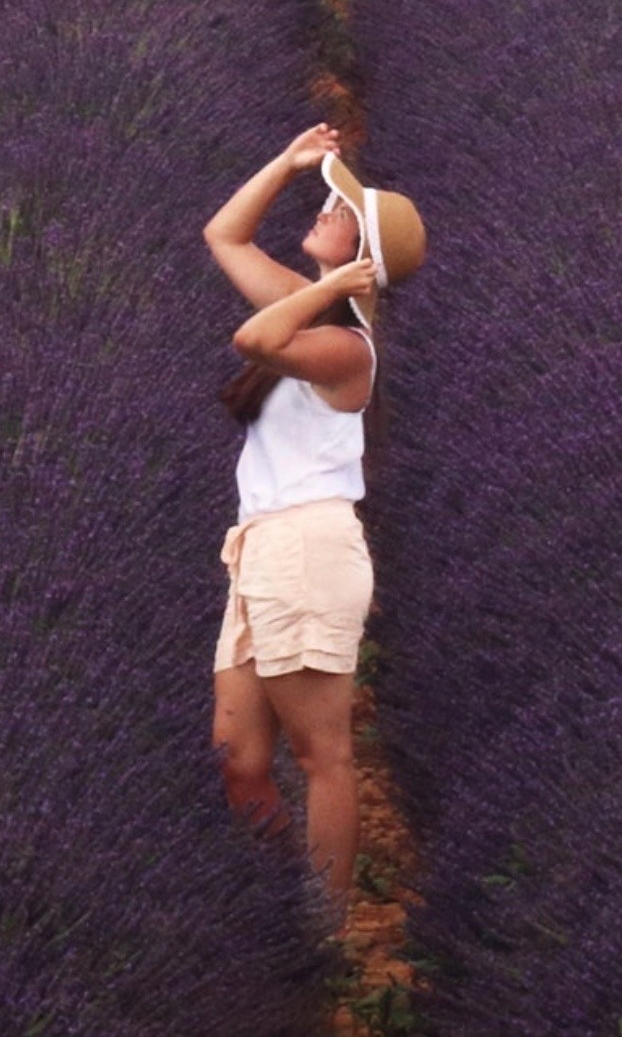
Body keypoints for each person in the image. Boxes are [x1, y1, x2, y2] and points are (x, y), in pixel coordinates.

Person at [203, 122, 425, 921]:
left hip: (309, 545)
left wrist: (332, 290)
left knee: (320, 754)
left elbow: (253, 338)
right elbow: (223, 235)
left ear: (358, 249)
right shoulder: (314, 310)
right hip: (260, 545)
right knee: (239, 757)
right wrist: (287, 159)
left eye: (335, 204)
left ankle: (324, 932)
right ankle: (274, 912)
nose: (324, 205)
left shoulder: (346, 347)